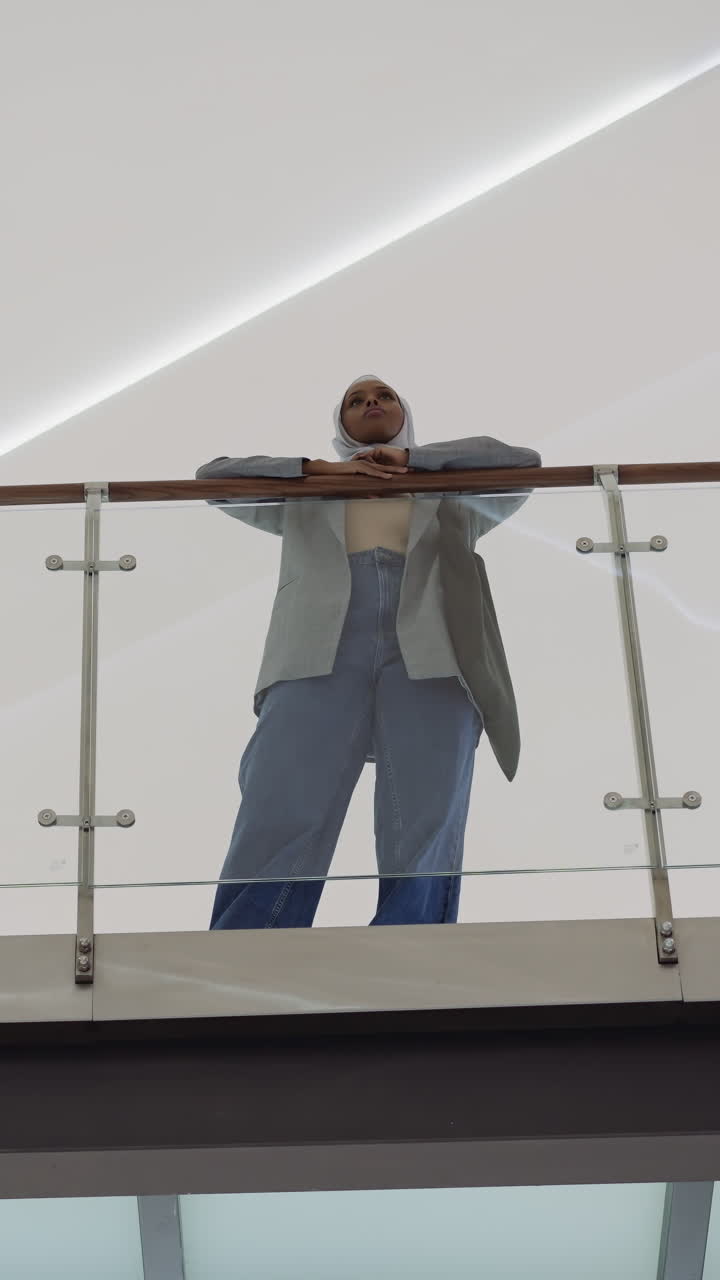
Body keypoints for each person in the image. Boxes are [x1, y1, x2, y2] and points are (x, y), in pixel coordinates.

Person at [196, 376, 541, 929]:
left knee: (424, 807)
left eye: (383, 396)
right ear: (340, 426)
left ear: (404, 415)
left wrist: (408, 461)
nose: (371, 403)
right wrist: (327, 471)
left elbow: (524, 462)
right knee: (282, 796)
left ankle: (414, 941)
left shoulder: (454, 489)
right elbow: (212, 479)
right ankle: (252, 939)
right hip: (318, 648)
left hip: (434, 648)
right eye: (355, 401)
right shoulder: (305, 495)